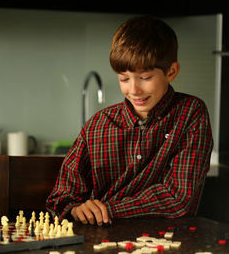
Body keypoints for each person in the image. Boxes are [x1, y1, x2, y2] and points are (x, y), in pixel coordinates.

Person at [46, 16, 213, 226]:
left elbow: (178, 198)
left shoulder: (190, 113)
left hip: (168, 241)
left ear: (171, 71)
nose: (133, 90)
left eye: (145, 78)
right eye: (124, 78)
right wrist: (78, 208)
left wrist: (107, 209)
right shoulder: (98, 124)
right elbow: (62, 196)